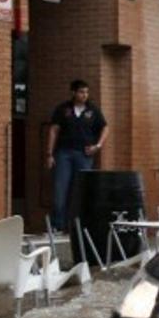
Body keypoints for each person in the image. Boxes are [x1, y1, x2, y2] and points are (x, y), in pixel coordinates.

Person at [46, 79, 109, 231]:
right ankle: (58, 226)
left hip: (84, 154)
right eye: (81, 92)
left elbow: (105, 127)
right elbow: (54, 130)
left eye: (86, 92)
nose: (84, 95)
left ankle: (77, 226)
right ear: (73, 92)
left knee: (80, 190)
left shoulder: (92, 110)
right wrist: (49, 154)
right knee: (60, 190)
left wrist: (98, 146)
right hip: (64, 153)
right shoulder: (63, 109)